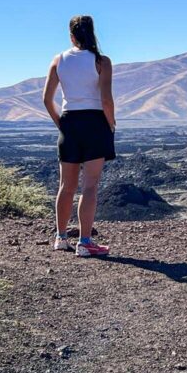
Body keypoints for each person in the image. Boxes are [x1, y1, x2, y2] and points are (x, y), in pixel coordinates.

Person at [42, 15, 116, 257]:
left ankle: (60, 238)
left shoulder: (59, 60)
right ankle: (85, 242)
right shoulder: (101, 62)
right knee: (90, 185)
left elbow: (47, 98)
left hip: (69, 123)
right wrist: (111, 123)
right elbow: (106, 99)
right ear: (93, 33)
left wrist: (61, 124)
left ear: (71, 36)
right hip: (95, 123)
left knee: (66, 186)